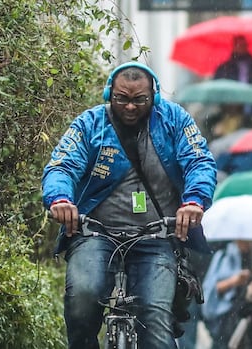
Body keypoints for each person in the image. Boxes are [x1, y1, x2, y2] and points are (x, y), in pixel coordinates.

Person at [42, 61, 217, 349]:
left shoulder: (175, 120)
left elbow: (199, 162)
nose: (130, 107)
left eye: (140, 100)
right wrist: (60, 199)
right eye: (122, 98)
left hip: (157, 237)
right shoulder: (90, 124)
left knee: (156, 319)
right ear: (109, 94)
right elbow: (61, 167)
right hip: (94, 235)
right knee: (82, 299)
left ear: (154, 96)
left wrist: (194, 201)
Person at [201, 240, 252, 349]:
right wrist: (235, 280)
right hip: (227, 316)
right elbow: (214, 287)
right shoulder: (226, 256)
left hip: (246, 314)